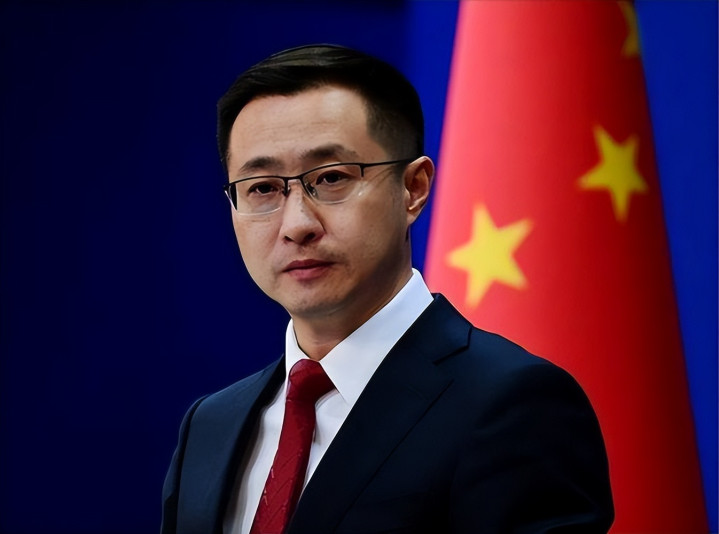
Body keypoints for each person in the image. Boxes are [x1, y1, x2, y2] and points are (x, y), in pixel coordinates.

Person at [161, 44, 614, 534]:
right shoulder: (210, 424)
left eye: (331, 178)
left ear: (413, 188)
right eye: (263, 188)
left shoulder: (512, 405)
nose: (296, 225)